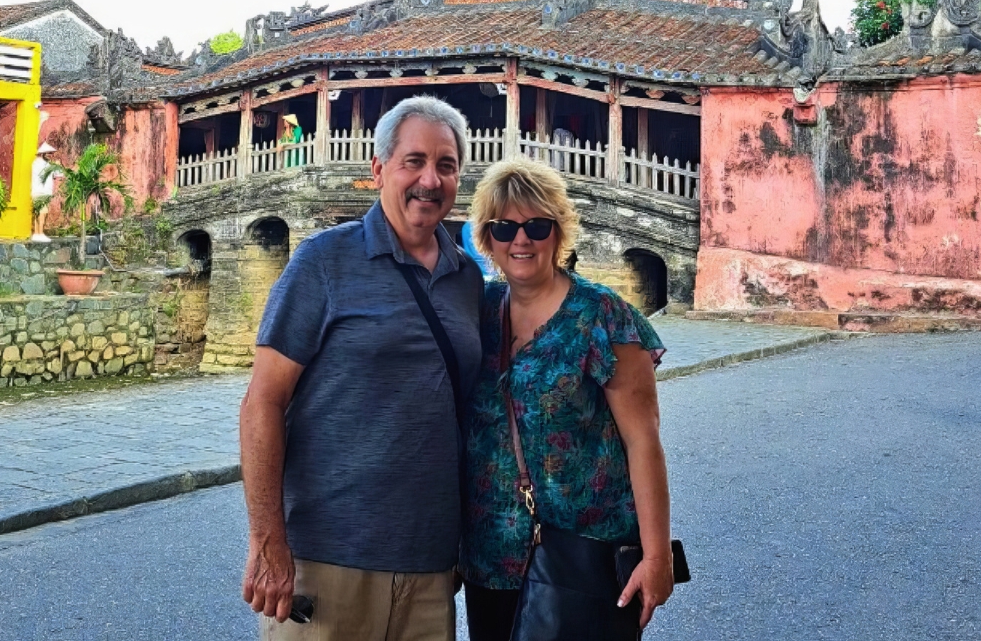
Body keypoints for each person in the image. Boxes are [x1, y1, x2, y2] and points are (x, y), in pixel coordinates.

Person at [240, 96, 483, 641]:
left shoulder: (467, 278)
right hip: (327, 561)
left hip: (431, 567)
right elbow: (262, 402)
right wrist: (267, 541)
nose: (430, 180)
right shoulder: (323, 261)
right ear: (379, 169)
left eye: (446, 165)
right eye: (413, 161)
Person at [462, 156, 674, 641]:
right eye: (504, 228)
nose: (520, 240)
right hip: (490, 557)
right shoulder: (479, 311)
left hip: (582, 560)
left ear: (558, 232)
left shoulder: (602, 315)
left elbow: (643, 441)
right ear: (486, 237)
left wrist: (656, 556)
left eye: (536, 226)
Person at [30, 143, 57, 243]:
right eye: (48, 153)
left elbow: (58, 175)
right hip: (40, 192)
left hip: (44, 192)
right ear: (42, 153)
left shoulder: (47, 164)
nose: (50, 155)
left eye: (51, 154)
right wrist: (54, 166)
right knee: (41, 213)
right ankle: (39, 233)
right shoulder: (38, 164)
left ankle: (37, 233)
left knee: (41, 213)